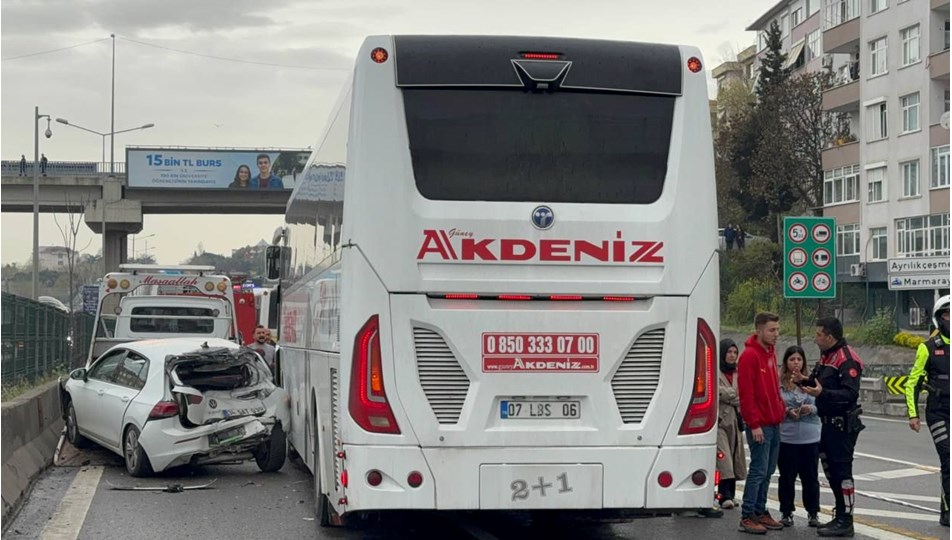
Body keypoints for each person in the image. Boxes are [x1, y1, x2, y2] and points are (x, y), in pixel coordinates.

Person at [794, 317, 865, 537]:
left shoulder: (846, 359)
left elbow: (850, 393)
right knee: (831, 472)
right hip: (825, 425)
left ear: (830, 337)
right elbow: (818, 382)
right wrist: (804, 381)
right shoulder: (827, 356)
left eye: (818, 335)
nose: (815, 339)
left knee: (842, 473)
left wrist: (821, 394)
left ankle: (846, 520)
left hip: (842, 426)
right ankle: (839, 514)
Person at [737, 312, 786, 534]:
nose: (776, 334)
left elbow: (774, 387)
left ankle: (760, 510)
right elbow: (746, 394)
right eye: (771, 330)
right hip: (761, 424)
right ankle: (747, 515)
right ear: (759, 330)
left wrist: (781, 410)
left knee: (768, 470)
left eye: (777, 329)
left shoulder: (770, 353)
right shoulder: (749, 356)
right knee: (758, 470)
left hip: (774, 422)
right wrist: (754, 423)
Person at [905, 295, 950, 527]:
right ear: (940, 319)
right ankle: (947, 510)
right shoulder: (928, 348)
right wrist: (912, 415)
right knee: (949, 459)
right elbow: (912, 383)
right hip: (938, 412)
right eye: (948, 314)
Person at [778, 345, 821, 528]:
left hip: (810, 437)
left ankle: (813, 513)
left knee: (810, 476)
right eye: (792, 359)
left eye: (799, 359)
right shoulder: (779, 383)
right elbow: (775, 404)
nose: (795, 363)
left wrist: (810, 408)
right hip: (787, 437)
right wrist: (787, 411)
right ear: (786, 363)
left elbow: (822, 403)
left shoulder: (812, 382)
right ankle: (786, 512)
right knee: (787, 477)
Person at [716, 338, 746, 510]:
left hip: (735, 420)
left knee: (735, 456)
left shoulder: (738, 373)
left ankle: (732, 494)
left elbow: (743, 393)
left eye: (735, 352)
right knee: (723, 457)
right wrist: (731, 394)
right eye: (729, 352)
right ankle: (723, 495)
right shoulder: (715, 372)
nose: (732, 355)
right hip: (720, 421)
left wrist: (728, 395)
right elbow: (715, 391)